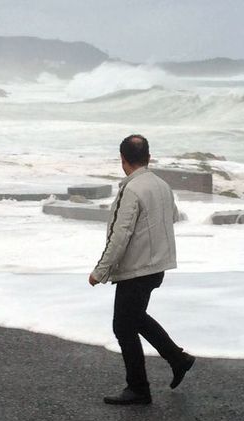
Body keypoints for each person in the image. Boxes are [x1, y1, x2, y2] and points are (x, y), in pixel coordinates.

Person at [89, 134, 195, 405]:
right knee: (134, 319)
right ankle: (178, 359)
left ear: (122, 160)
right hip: (157, 265)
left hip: (137, 268)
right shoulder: (162, 185)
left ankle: (138, 388)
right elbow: (172, 217)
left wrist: (101, 271)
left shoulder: (132, 189)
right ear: (148, 157)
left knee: (123, 326)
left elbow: (119, 235)